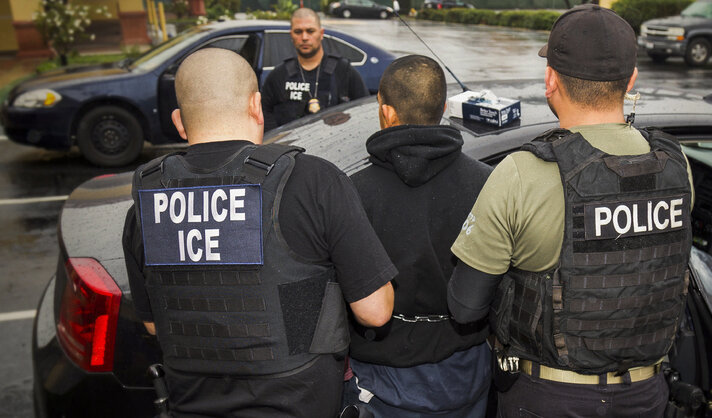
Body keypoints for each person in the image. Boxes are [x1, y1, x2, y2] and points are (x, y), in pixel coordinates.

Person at [447, 5, 695, 418]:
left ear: (550, 81)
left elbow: (465, 306)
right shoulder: (676, 163)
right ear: (632, 79)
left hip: (549, 399)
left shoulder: (522, 172)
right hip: (647, 394)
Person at [122, 48, 395, 418]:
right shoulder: (312, 181)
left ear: (179, 121)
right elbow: (375, 311)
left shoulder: (147, 204)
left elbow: (156, 324)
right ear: (257, 106)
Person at [343, 55, 493, 417]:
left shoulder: (351, 192)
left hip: (381, 379)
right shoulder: (488, 184)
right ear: (442, 108)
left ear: (387, 112)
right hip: (467, 372)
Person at [261, 7, 369, 130]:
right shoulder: (279, 75)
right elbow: (264, 112)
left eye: (310, 31)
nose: (304, 37)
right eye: (298, 32)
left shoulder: (343, 70)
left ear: (321, 34)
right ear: (291, 35)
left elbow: (362, 111)